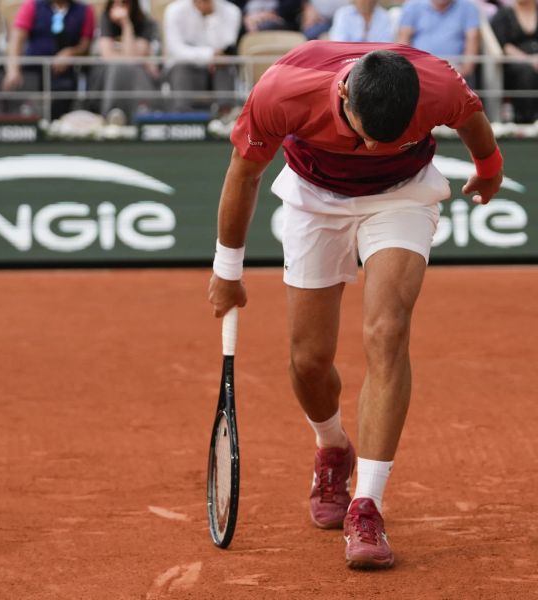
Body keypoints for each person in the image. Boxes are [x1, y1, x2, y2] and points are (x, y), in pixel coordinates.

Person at [206, 41, 503, 569]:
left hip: (400, 197)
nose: (369, 146)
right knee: (308, 361)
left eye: (383, 137)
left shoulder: (438, 84)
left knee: (387, 332)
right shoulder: (283, 89)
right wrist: (227, 273)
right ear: (342, 91)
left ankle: (367, 504)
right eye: (363, 132)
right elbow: (243, 174)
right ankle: (332, 447)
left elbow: (473, 119)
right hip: (313, 198)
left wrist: (490, 164)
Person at [0, 0, 96, 119]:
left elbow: (85, 46)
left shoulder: (85, 11)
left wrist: (71, 53)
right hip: (32, 71)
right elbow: (16, 40)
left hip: (64, 75)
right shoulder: (32, 6)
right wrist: (13, 70)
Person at [490, 0, 538, 123]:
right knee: (526, 71)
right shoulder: (502, 16)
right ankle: (532, 116)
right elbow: (504, 45)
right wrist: (529, 60)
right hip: (517, 62)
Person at [163, 0, 242, 113]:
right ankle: (181, 118)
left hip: (215, 70)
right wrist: (210, 54)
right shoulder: (174, 10)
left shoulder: (231, 11)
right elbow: (176, 50)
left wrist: (211, 16)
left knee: (225, 66)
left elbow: (225, 48)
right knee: (180, 68)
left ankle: (225, 117)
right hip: (186, 71)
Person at [90, 0, 161, 122]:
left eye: (124, 3)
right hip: (107, 78)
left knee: (127, 68)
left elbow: (131, 59)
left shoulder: (146, 23)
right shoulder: (106, 20)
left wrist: (126, 24)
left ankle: (139, 115)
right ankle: (110, 114)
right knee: (116, 68)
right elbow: (108, 57)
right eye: (115, 4)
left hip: (138, 78)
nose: (119, 9)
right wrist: (128, 57)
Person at [397, 0, 481, 85]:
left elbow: (473, 40)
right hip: (419, 70)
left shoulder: (468, 6)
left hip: (455, 70)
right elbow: (403, 41)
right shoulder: (412, 5)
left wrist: (462, 73)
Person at [328, 0, 396, 43]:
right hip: (348, 56)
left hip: (375, 58)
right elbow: (339, 41)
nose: (366, 1)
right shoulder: (343, 13)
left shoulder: (384, 16)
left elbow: (386, 42)